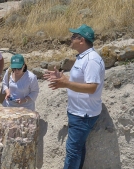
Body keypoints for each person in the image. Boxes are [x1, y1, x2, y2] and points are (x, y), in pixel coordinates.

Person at [43, 24, 105, 169]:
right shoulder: (83, 57)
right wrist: (63, 78)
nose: (70, 39)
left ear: (81, 40)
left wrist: (66, 84)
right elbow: (81, 81)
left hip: (83, 115)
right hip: (78, 112)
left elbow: (92, 87)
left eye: (73, 36)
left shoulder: (91, 60)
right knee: (77, 149)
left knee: (72, 152)